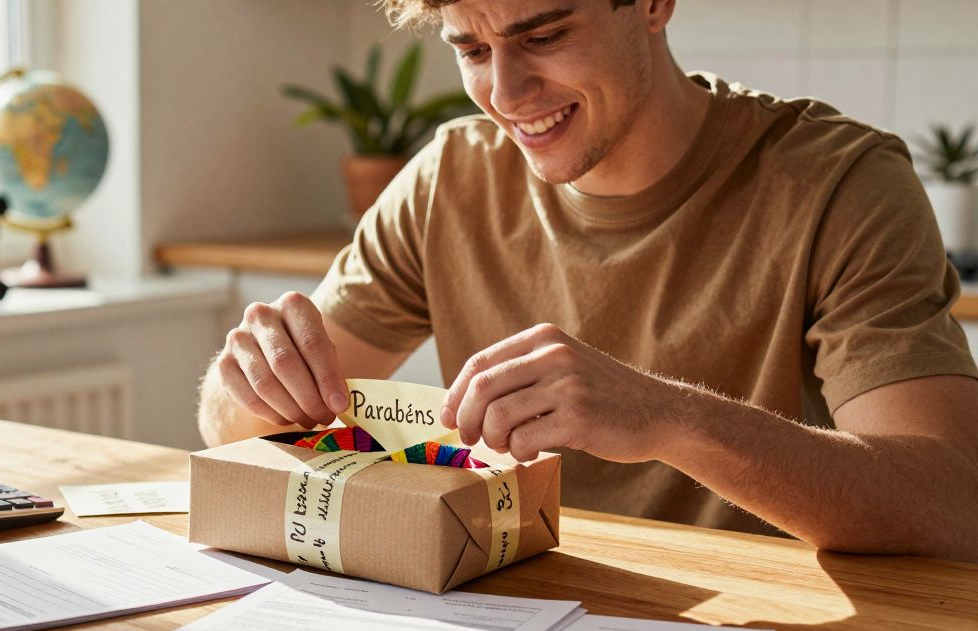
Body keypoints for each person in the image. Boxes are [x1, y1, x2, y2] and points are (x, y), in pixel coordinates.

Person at [197, 0, 978, 562]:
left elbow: (949, 501)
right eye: (471, 50)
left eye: (543, 34)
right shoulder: (449, 179)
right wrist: (248, 386)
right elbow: (238, 428)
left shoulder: (839, 183)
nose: (505, 94)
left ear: (651, 5)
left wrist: (669, 416)